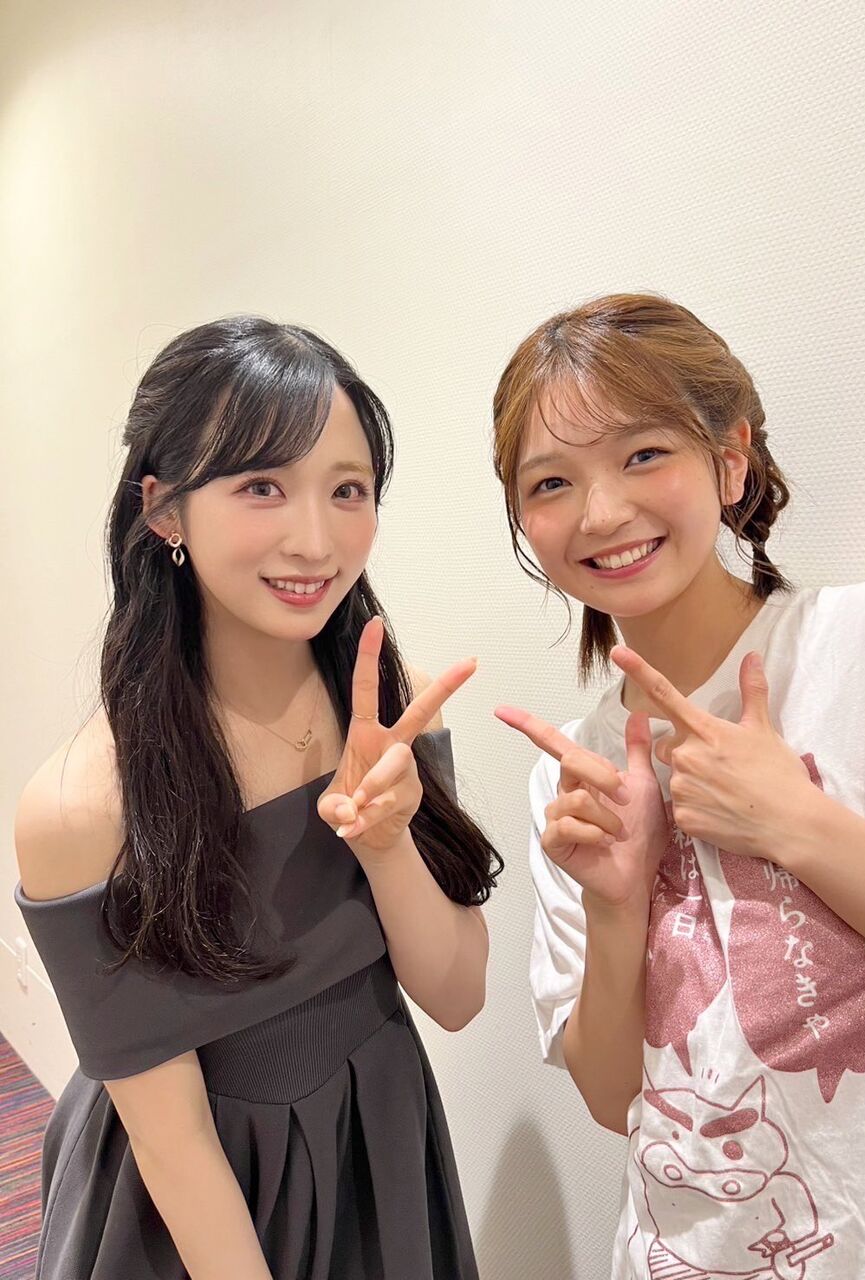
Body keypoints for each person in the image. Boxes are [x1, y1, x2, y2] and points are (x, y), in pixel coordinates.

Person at [14, 316, 501, 1280]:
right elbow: (174, 1143)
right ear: (163, 511)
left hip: (379, 1140)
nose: (315, 541)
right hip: (198, 1208)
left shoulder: (383, 712)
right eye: (261, 487)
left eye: (348, 490)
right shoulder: (82, 807)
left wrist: (387, 844)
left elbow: (457, 998)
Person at [491, 293, 865, 1280]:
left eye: (643, 453)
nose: (601, 512)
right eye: (552, 481)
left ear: (731, 458)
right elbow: (615, 1097)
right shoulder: (573, 773)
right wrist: (615, 906)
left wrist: (799, 824)